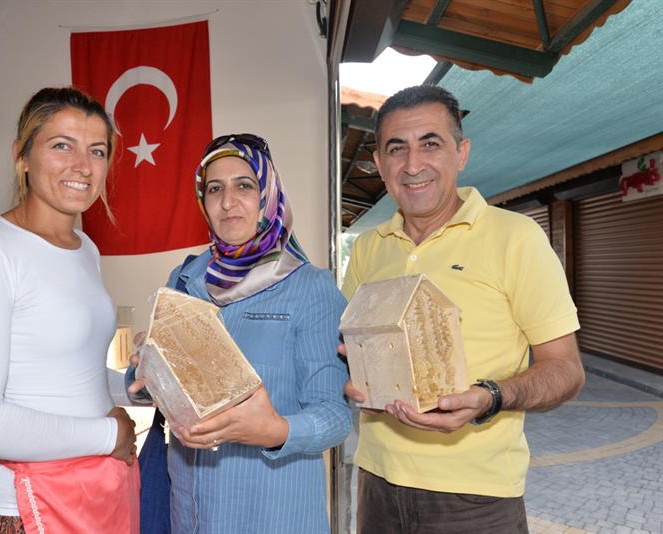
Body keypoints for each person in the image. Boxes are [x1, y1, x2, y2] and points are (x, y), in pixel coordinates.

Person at [342, 85, 585, 533]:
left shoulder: (516, 237)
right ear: (379, 163)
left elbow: (566, 369)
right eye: (397, 148)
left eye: (430, 143)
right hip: (377, 482)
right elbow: (348, 353)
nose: (413, 164)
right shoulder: (367, 248)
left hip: (475, 498)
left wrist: (491, 397)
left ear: (462, 153)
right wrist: (349, 381)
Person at [131, 133, 351, 533]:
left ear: (267, 195)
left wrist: (275, 431)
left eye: (244, 186)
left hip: (272, 517)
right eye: (215, 189)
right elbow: (169, 393)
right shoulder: (185, 279)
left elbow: (335, 416)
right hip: (190, 516)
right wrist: (147, 373)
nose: (228, 202)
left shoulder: (310, 287)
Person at [0, 87, 139, 534]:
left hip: (96, 489)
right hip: (26, 507)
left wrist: (138, 388)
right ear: (22, 156)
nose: (83, 166)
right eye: (62, 146)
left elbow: (69, 374)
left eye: (97, 151)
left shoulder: (86, 249)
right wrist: (111, 435)